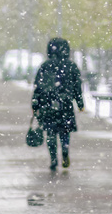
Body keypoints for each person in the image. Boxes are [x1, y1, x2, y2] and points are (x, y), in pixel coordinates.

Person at [31, 38, 84, 171]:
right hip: (65, 104)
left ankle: (53, 158)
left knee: (50, 132)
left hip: (48, 104)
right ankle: (65, 148)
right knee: (65, 130)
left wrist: (35, 104)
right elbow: (77, 87)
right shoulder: (71, 66)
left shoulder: (45, 66)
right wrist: (80, 103)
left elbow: (38, 87)